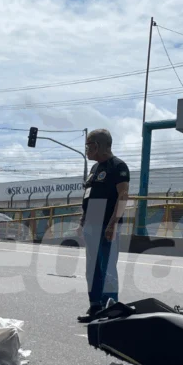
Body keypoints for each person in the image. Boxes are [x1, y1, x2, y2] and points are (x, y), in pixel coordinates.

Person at [77, 128, 130, 323]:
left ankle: (110, 309)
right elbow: (89, 195)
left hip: (107, 224)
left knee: (107, 267)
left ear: (98, 145)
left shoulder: (118, 166)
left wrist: (112, 224)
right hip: (91, 223)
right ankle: (95, 307)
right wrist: (83, 219)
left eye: (88, 146)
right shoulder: (94, 169)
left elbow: (123, 196)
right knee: (92, 268)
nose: (87, 150)